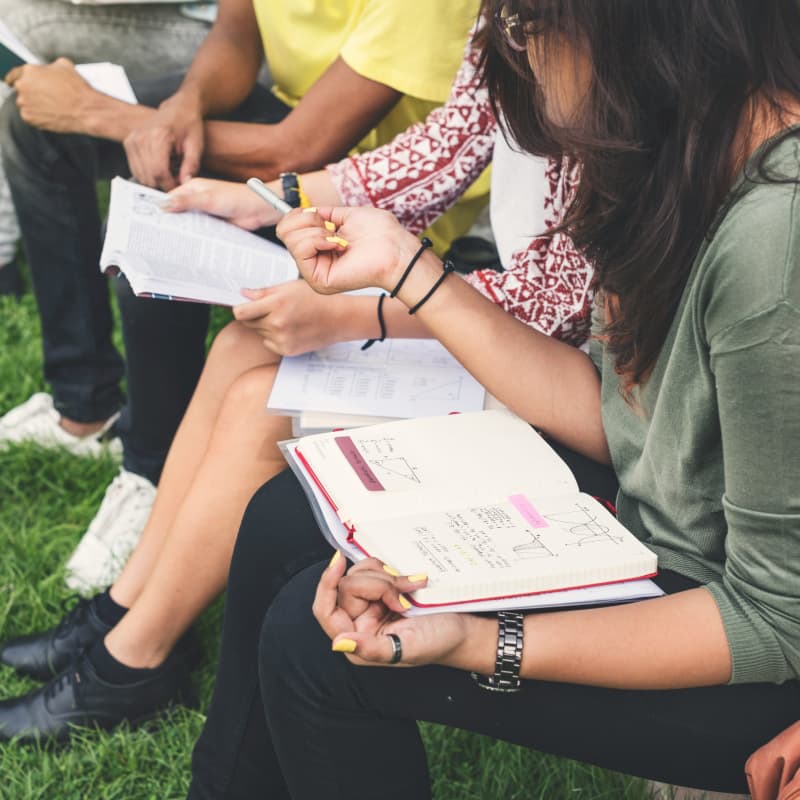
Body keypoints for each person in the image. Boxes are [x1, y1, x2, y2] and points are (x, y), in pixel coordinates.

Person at [185, 0, 800, 797]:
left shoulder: (771, 236)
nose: (513, 53)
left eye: (523, 25)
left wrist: (481, 641)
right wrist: (405, 267)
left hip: (740, 640)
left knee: (319, 653)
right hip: (668, 537)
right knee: (281, 520)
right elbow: (621, 423)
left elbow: (770, 618)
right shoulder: (669, 145)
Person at [0, 30, 594, 740]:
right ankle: (124, 611)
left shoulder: (607, 48)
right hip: (500, 325)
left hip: (562, 375)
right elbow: (443, 145)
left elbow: (554, 301)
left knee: (264, 403)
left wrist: (349, 314)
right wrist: (277, 201)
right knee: (240, 346)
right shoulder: (511, 19)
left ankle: (130, 666)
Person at [0, 0, 488, 589]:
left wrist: (97, 112)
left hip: (381, 185)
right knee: (53, 137)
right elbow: (237, 28)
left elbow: (301, 147)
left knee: (164, 207)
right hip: (292, 121)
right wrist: (187, 103)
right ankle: (87, 407)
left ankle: (151, 472)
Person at [0, 0, 215, 298]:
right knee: (25, 111)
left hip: (206, 22)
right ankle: (75, 342)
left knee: (18, 25)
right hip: (213, 27)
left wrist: (94, 112)